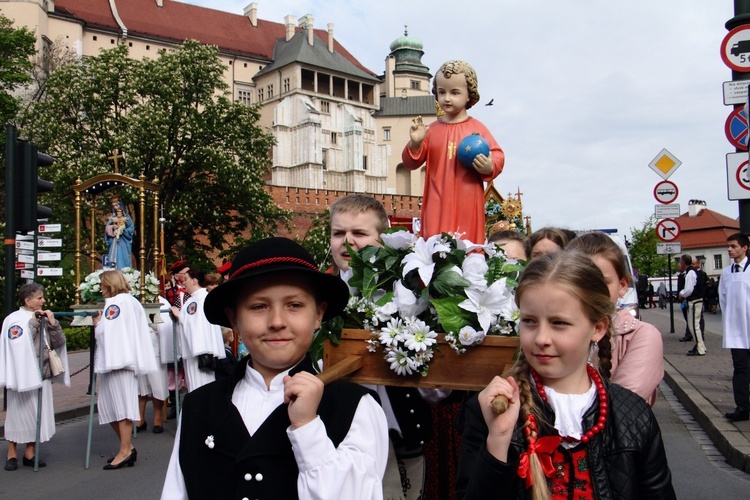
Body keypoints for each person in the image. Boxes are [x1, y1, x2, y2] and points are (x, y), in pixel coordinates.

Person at [161, 237, 388, 499]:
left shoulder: (355, 407)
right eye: (258, 307)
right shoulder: (197, 406)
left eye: (294, 305)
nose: (277, 322)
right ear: (234, 319)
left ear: (318, 315)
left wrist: (307, 426)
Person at [456, 251, 676, 499]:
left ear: (598, 328)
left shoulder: (632, 414)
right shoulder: (489, 410)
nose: (541, 339)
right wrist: (498, 441)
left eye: (559, 323)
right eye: (529, 321)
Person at [329, 194, 433, 499]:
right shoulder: (319, 299)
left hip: (401, 437)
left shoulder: (408, 296)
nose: (347, 241)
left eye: (359, 233)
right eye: (338, 233)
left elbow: (436, 387)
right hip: (341, 440)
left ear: (382, 239)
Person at [402, 60, 504, 244]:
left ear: (469, 95)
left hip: (466, 196)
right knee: (435, 240)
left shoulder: (477, 128)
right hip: (437, 196)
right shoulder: (431, 130)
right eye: (442, 92)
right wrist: (415, 144)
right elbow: (411, 163)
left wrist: (489, 165)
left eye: (454, 92)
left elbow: (497, 154)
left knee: (467, 242)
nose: (447, 98)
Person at [567, 231, 664, 405]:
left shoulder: (642, 335)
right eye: (579, 281)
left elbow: (624, 404)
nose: (591, 290)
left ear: (622, 285)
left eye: (602, 282)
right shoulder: (552, 331)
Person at [92, 270, 158, 470]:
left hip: (118, 362)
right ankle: (127, 446)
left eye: (102, 284)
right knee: (110, 407)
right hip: (122, 360)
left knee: (120, 408)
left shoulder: (116, 303)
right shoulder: (132, 301)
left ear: (110, 284)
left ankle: (125, 451)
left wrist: (97, 324)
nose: (101, 288)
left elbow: (107, 332)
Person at [1, 283, 70, 471]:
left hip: (42, 374)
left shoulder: (43, 316)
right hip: (20, 377)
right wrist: (33, 323)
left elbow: (58, 343)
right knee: (17, 414)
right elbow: (20, 345)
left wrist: (53, 324)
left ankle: (30, 452)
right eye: (40, 298)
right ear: (27, 300)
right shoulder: (14, 319)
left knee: (36, 414)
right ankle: (12, 452)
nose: (44, 301)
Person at [171, 268, 225, 392]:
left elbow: (196, 325)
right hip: (193, 352)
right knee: (195, 386)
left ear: (194, 280)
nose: (184, 283)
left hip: (199, 352)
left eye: (186, 279)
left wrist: (179, 315)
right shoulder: (193, 299)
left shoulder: (199, 299)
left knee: (201, 387)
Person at [719, 232, 750, 422]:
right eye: (728, 246)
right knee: (740, 368)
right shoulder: (726, 272)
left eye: (733, 246)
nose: (729, 249)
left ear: (745, 247)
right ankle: (743, 407)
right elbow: (723, 299)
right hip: (737, 330)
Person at [135, 317, 170, 434]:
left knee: (157, 385)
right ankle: (140, 419)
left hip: (155, 347)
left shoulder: (160, 302)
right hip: (139, 345)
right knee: (141, 386)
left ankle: (157, 419)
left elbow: (164, 324)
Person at [678, 254, 707, 356]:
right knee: (695, 325)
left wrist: (681, 294)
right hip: (696, 301)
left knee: (693, 325)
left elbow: (689, 289)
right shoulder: (691, 272)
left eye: (680, 262)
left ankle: (699, 348)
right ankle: (701, 346)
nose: (679, 264)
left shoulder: (690, 273)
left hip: (694, 301)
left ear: (683, 263)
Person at [104, 195, 135, 270]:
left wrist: (123, 230)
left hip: (123, 241)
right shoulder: (112, 218)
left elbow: (131, 228)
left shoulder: (126, 217)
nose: (115, 207)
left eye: (116, 205)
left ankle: (124, 272)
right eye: (113, 206)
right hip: (114, 241)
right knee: (113, 256)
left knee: (123, 257)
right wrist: (113, 228)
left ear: (120, 205)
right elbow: (107, 229)